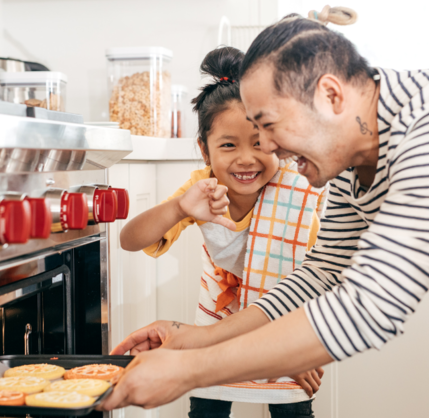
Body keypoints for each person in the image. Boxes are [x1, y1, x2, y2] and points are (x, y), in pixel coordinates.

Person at [102, 14, 429, 418]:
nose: (267, 147)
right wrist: (195, 339)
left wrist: (190, 372)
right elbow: (322, 274)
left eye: (269, 125)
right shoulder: (349, 161)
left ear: (331, 97)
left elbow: (371, 308)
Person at [119, 46, 326, 418]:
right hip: (216, 322)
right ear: (204, 150)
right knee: (207, 409)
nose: (246, 159)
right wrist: (179, 208)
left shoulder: (298, 190)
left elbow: (313, 279)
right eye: (228, 145)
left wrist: (292, 349)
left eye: (260, 144)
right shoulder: (203, 189)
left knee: (292, 409)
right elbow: (130, 240)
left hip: (287, 324)